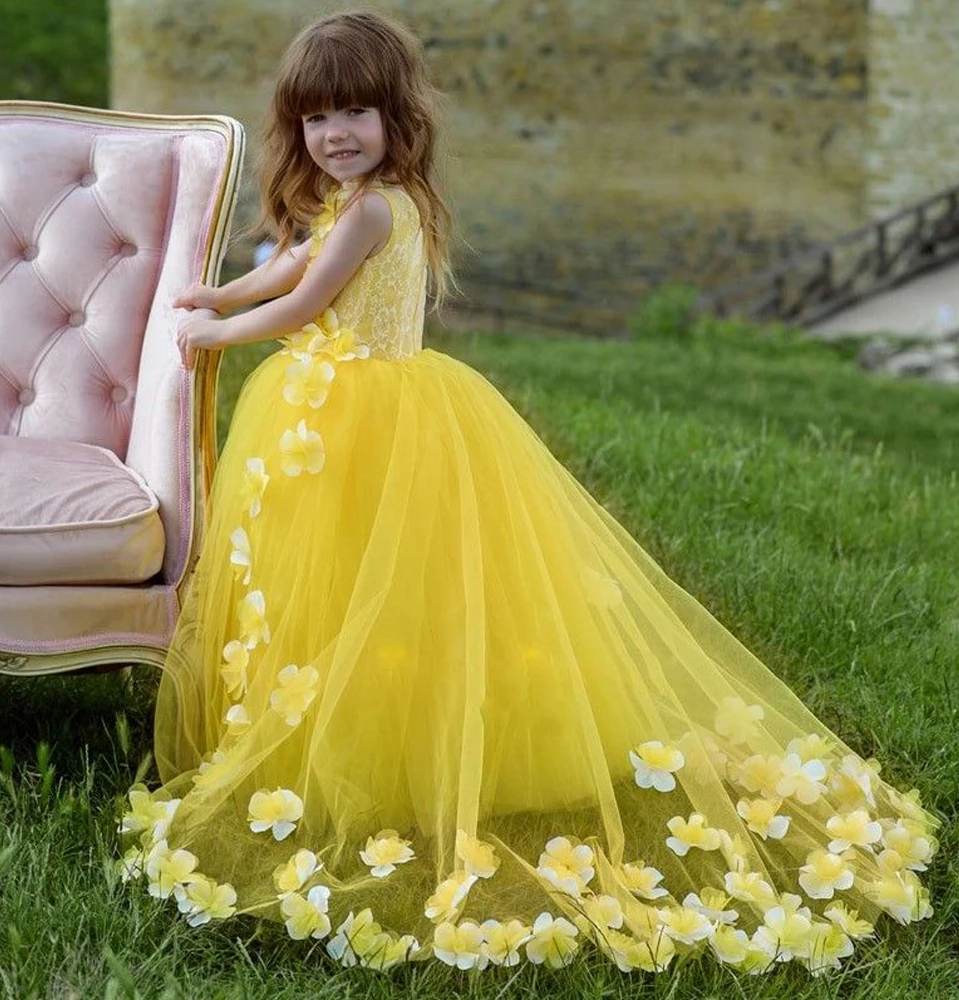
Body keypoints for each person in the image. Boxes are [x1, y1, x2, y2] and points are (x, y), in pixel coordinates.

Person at [117, 9, 940, 975]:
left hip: (377, 416)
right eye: (313, 120)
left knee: (395, 572)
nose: (333, 135)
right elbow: (295, 265)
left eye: (355, 113)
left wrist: (217, 335)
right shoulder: (353, 204)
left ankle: (392, 741)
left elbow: (304, 302)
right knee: (334, 578)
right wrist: (221, 293)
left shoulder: (381, 207)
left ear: (396, 118)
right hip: (324, 419)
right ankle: (345, 731)